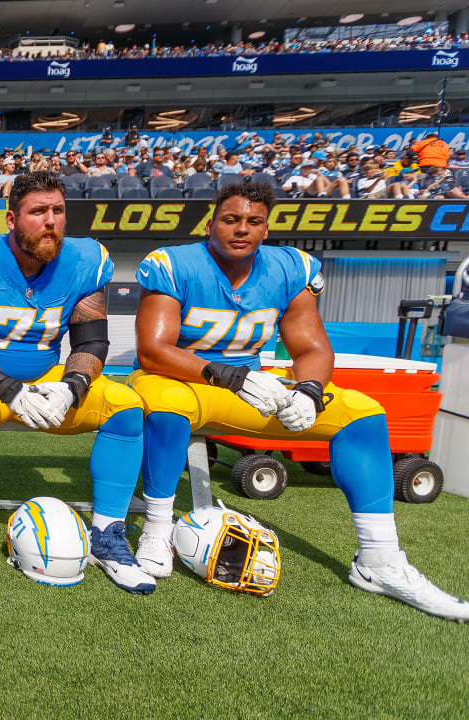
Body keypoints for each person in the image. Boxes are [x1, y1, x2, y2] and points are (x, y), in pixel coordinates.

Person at [131, 182, 469, 621]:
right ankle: (157, 528)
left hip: (251, 387)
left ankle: (379, 559)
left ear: (266, 229)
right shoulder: (176, 264)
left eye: (253, 221)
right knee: (166, 403)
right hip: (185, 380)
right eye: (231, 219)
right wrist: (228, 375)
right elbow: (153, 351)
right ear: (211, 224)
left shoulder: (290, 268)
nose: (241, 230)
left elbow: (312, 349)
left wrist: (309, 389)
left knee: (363, 415)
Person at [0, 171, 153, 593]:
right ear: (11, 219)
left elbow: (93, 340)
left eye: (58, 211)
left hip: (49, 377)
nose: (51, 221)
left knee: (125, 407)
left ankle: (107, 536)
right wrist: (4, 386)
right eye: (38, 212)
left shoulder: (86, 261)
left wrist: (72, 385)